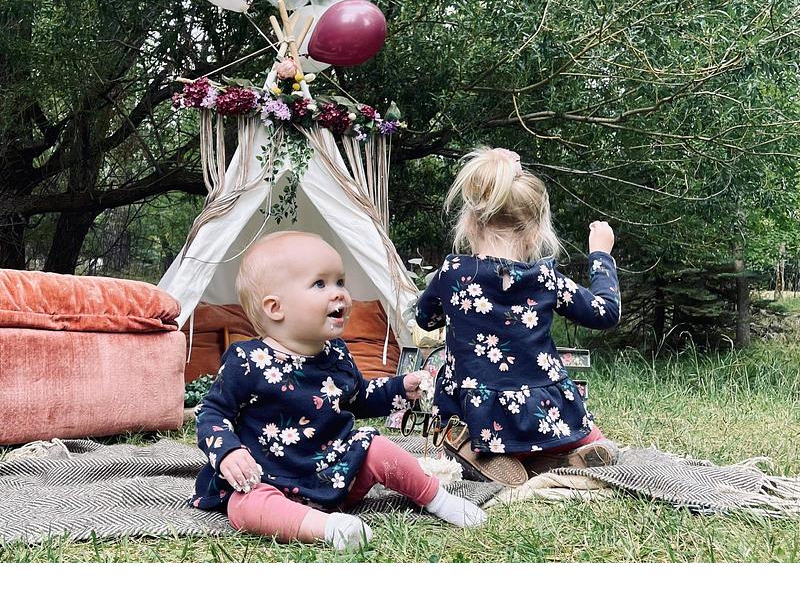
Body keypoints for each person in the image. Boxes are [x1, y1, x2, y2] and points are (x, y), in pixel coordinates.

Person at [191, 230, 487, 550]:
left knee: (377, 448)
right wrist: (228, 452)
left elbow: (360, 398)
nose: (340, 294)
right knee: (243, 506)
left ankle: (438, 499)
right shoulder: (247, 361)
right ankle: (328, 528)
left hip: (334, 474)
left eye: (340, 282)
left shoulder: (337, 355)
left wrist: (400, 388)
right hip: (268, 479)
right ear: (276, 308)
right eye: (320, 284)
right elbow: (212, 413)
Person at [415, 147, 621, 486]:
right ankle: (562, 457)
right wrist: (600, 255)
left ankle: (478, 454)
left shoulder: (452, 273)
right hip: (545, 418)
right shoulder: (545, 279)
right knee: (593, 439)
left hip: (478, 421)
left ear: (469, 223)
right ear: (535, 232)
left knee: (458, 431)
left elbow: (425, 318)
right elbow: (605, 312)